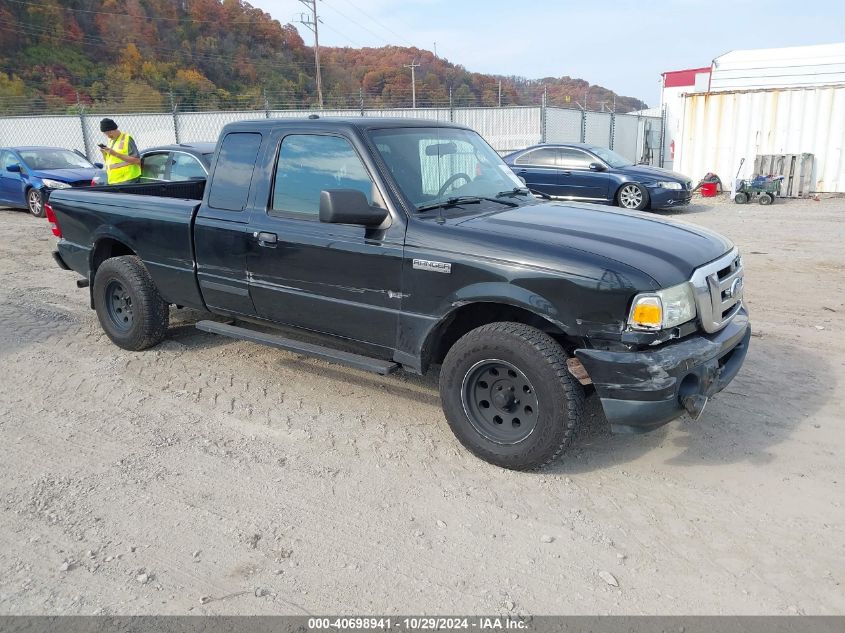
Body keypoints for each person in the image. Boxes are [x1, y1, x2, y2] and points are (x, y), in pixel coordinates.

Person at [99, 118, 141, 184]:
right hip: (114, 181)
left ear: (111, 131)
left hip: (128, 180)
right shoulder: (111, 140)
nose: (106, 136)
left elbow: (137, 160)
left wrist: (115, 154)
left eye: (106, 133)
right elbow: (110, 161)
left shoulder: (127, 139)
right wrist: (104, 154)